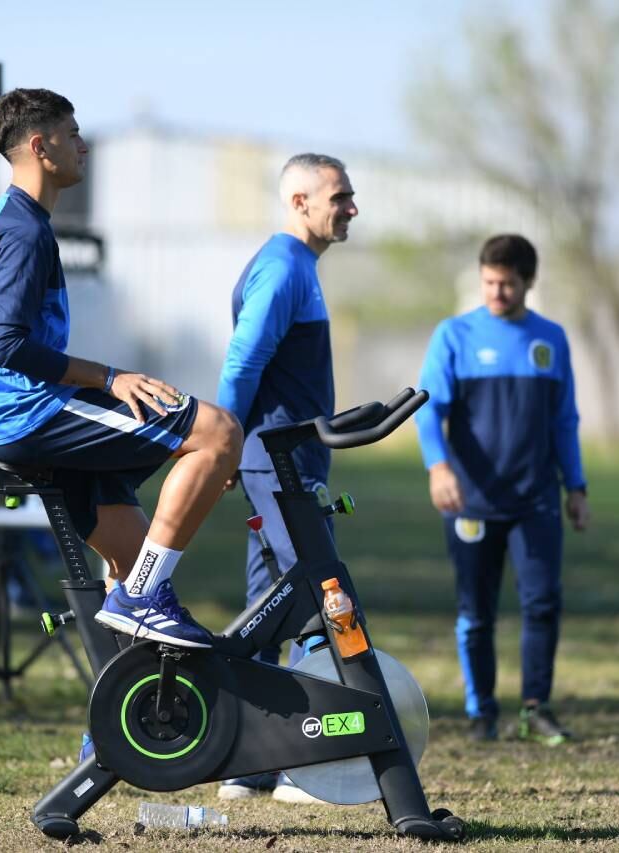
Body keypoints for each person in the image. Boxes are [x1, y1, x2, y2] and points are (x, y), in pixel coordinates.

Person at [0, 87, 242, 653]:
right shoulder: (22, 230)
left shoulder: (9, 221)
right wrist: (109, 378)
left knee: (137, 562)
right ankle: (141, 602)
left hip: (16, 419)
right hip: (27, 415)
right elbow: (6, 344)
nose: (84, 146)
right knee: (218, 434)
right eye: (73, 134)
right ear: (40, 145)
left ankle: (109, 738)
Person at [215, 153, 358, 801]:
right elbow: (242, 365)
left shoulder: (302, 267)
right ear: (300, 201)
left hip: (289, 463)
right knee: (316, 600)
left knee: (266, 608)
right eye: (340, 196)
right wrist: (223, 441)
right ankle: (302, 761)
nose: (352, 207)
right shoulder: (282, 267)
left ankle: (248, 765)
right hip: (277, 465)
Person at [414, 233, 590, 744]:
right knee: (476, 610)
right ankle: (481, 714)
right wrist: (438, 468)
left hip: (536, 500)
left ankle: (536, 707)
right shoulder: (455, 335)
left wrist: (575, 487)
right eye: (489, 282)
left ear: (529, 282)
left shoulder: (550, 340)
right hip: (470, 499)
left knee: (541, 604)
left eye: (508, 284)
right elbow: (430, 411)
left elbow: (565, 421)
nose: (496, 293)